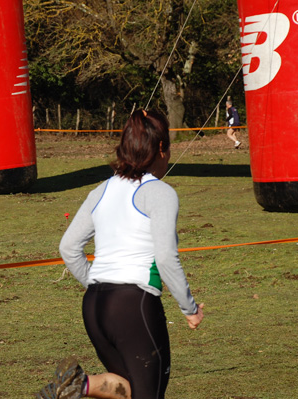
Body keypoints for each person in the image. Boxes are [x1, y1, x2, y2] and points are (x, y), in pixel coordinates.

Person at [35, 109, 204, 399]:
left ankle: (80, 384)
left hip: (95, 306)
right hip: (133, 305)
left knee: (128, 389)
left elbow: (68, 247)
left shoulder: (101, 190)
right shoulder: (160, 192)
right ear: (161, 148)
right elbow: (165, 257)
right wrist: (189, 309)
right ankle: (77, 384)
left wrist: (98, 284)